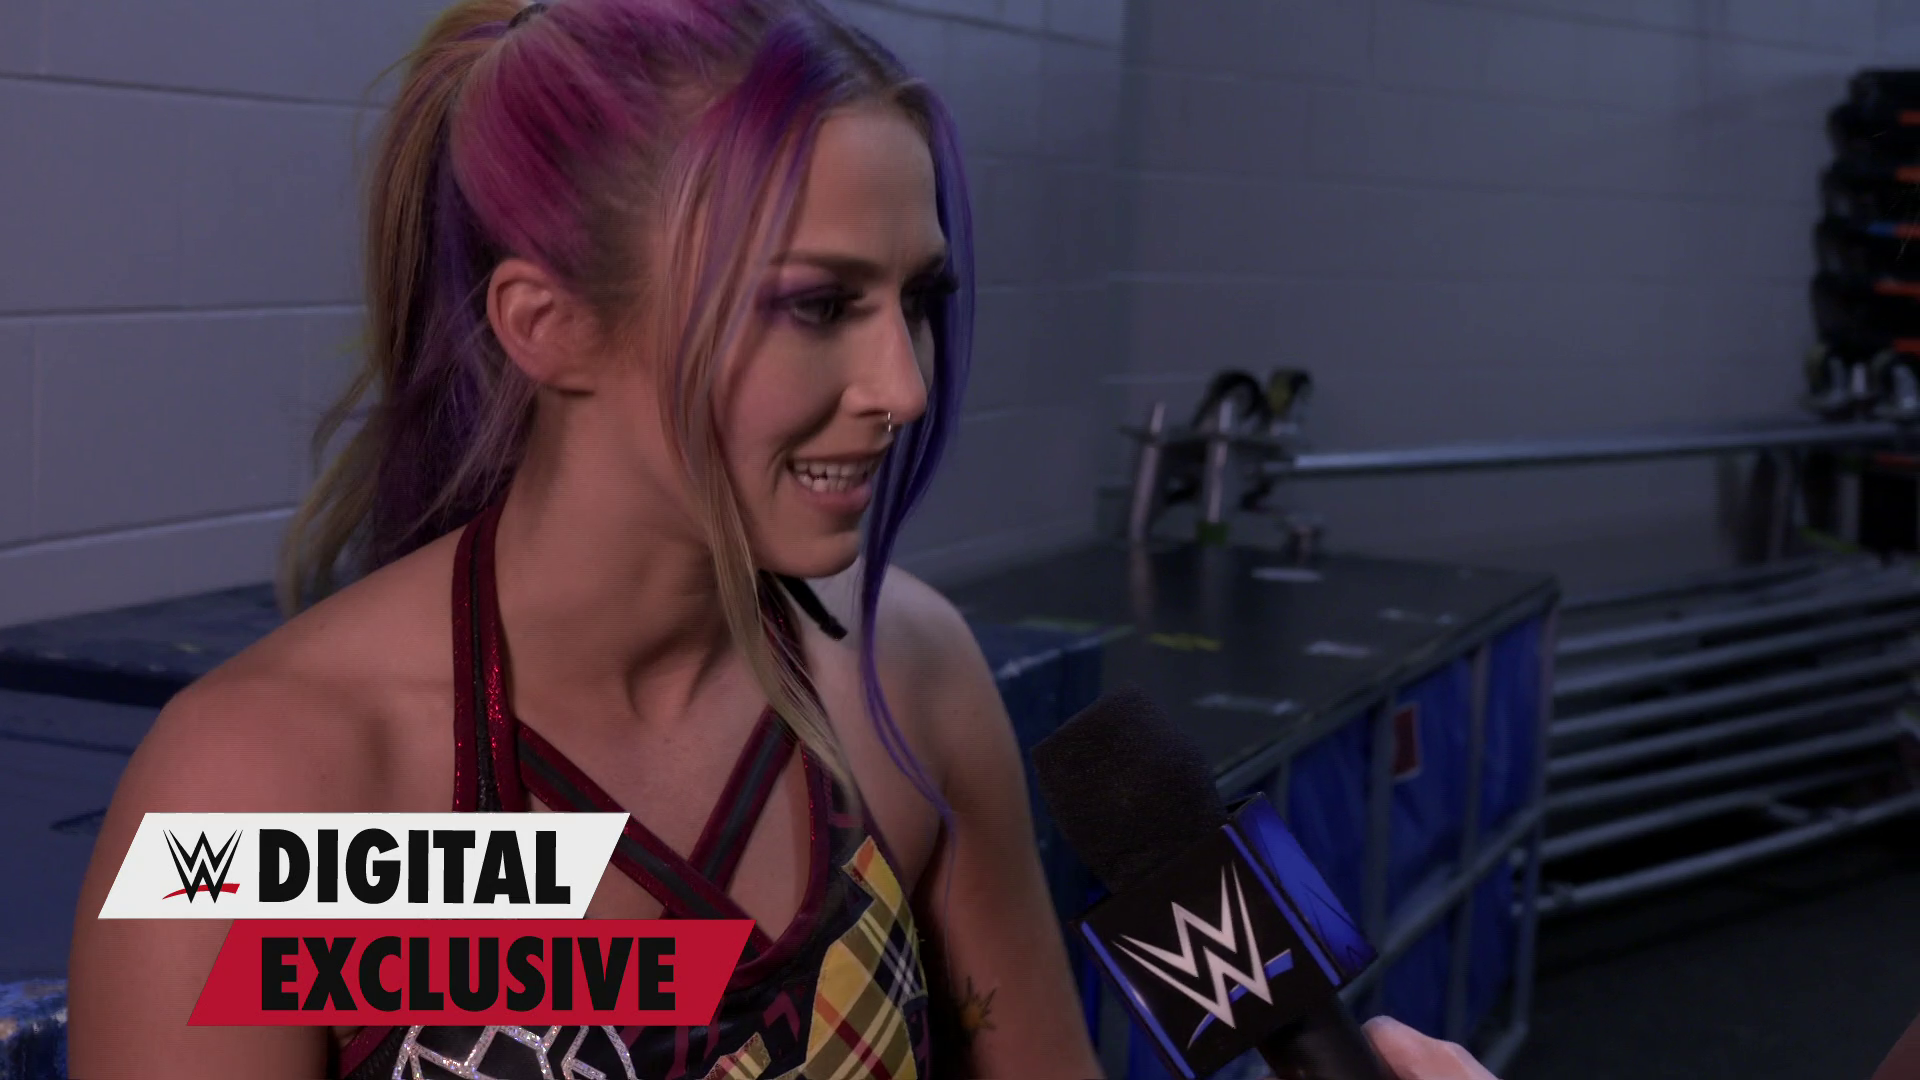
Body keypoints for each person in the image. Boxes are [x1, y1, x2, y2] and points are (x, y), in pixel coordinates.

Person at [61, 0, 1514, 1077]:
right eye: (818, 305)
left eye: (916, 302)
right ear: (546, 324)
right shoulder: (270, 793)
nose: (903, 388)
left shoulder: (908, 679)